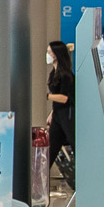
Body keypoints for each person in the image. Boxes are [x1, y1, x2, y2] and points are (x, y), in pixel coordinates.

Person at [44, 40, 74, 184]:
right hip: (58, 115)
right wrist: (51, 113)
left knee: (75, 145)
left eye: (50, 52)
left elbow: (64, 98)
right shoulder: (53, 73)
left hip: (67, 116)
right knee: (51, 148)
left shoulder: (66, 75)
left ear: (56, 55)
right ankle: (40, 181)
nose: (48, 55)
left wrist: (47, 96)